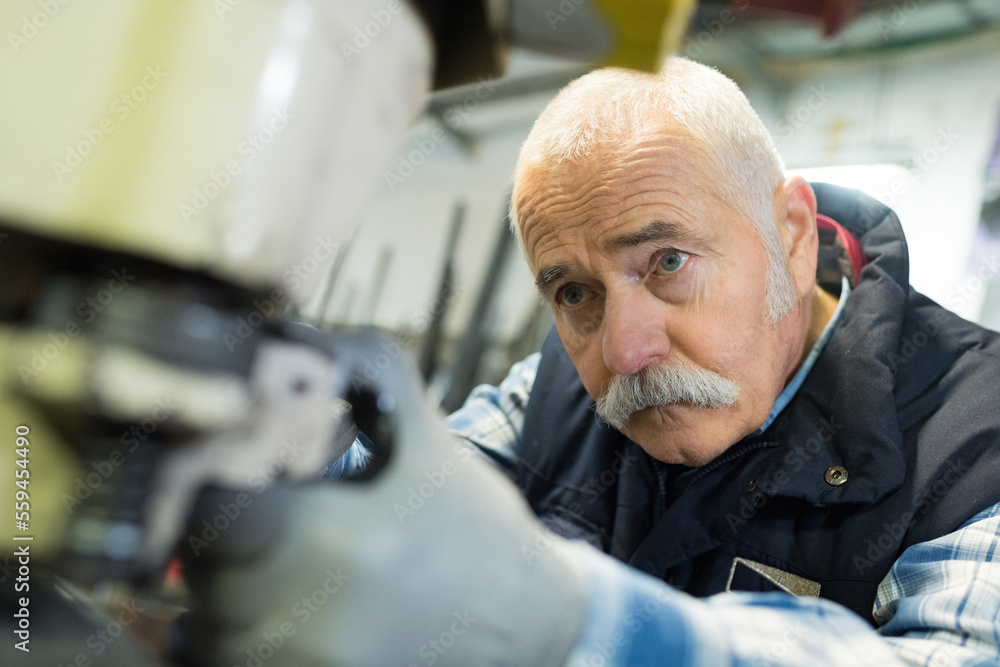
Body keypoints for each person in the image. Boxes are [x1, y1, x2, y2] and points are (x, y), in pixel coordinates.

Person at [191, 57, 1000, 665]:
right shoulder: (555, 386)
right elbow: (425, 485)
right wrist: (269, 441)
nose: (625, 350)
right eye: (575, 293)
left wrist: (577, 624)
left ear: (791, 235)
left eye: (668, 262)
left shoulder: (976, 445)